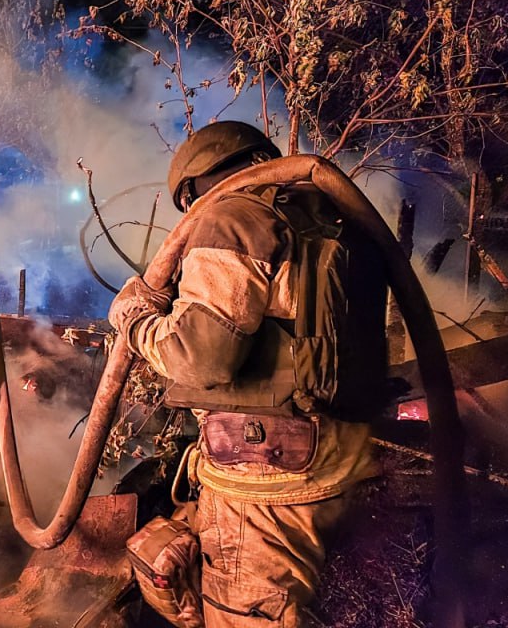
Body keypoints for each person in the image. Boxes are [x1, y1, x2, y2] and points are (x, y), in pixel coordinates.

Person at [112, 121, 387, 627]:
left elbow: (198, 357)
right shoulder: (328, 215)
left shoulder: (233, 216)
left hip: (263, 479)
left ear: (195, 188)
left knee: (245, 612)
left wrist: (134, 322)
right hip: (336, 458)